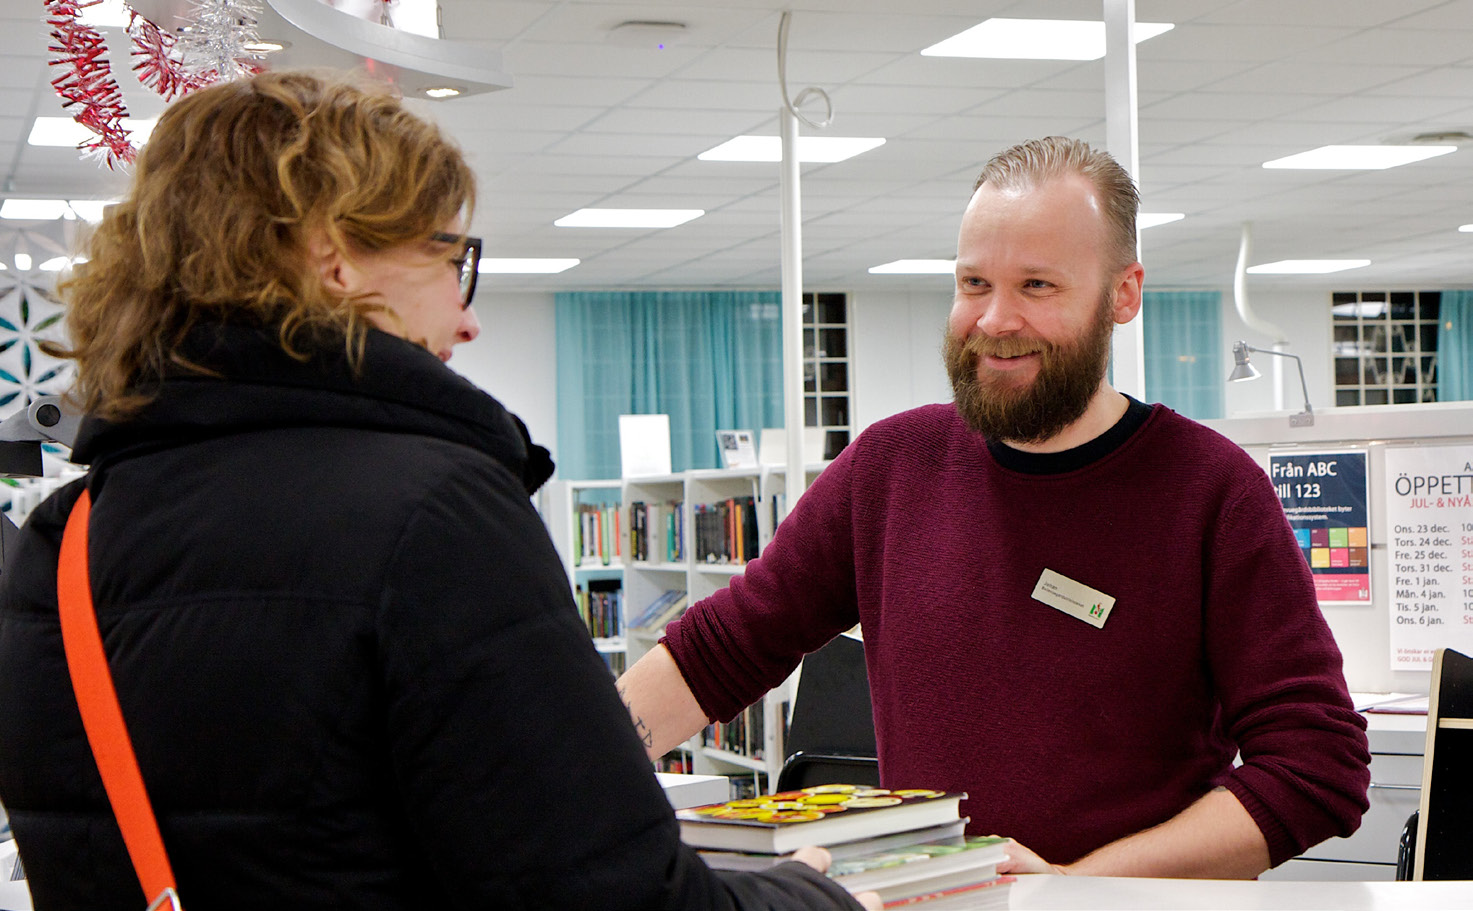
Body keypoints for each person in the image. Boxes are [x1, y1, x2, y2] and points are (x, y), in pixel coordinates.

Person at [0, 70, 874, 911]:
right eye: (447, 255)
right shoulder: (433, 515)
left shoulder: (62, 540)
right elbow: (612, 895)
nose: (467, 315)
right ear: (334, 256)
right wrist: (812, 893)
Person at [617, 136, 1372, 879]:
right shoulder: (890, 466)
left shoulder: (1209, 490)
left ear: (1123, 294)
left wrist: (1074, 888)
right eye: (974, 283)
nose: (993, 319)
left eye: (1036, 286)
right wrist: (558, 778)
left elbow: (1314, 762)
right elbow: (720, 650)